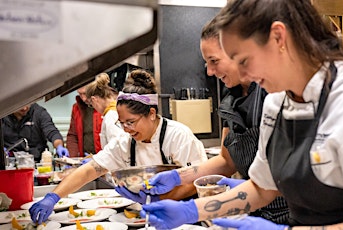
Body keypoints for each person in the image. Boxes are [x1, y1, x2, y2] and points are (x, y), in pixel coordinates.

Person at [139, 0, 343, 229]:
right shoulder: (277, 104)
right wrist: (194, 210)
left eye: (244, 59)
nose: (242, 73)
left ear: (278, 38)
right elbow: (262, 188)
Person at [120, 18, 289, 224]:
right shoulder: (232, 98)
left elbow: (290, 181)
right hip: (252, 208)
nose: (209, 71)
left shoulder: (279, 95)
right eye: (206, 63)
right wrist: (177, 178)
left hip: (293, 214)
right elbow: (227, 161)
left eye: (214, 61)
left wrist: (190, 209)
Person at [29, 69, 208, 224]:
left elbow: (197, 182)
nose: (126, 129)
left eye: (131, 122)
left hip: (186, 217)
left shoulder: (177, 136)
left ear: (151, 113)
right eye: (122, 123)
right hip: (150, 216)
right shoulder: (126, 142)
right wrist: (53, 197)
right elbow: (91, 170)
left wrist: (156, 198)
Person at [2, 103, 69, 162]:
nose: (25, 108)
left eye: (27, 103)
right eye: (20, 105)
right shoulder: (2, 114)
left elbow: (52, 132)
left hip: (37, 162)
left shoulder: (39, 113)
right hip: (10, 162)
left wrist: (59, 146)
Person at [85, 73, 124, 148]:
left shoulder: (111, 116)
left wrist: (98, 159)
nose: (93, 107)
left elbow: (115, 148)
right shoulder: (116, 109)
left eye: (91, 105)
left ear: (94, 99)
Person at [66, 84, 102, 158]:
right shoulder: (76, 108)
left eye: (85, 93)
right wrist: (73, 160)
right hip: (85, 158)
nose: (83, 98)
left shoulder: (103, 107)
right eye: (80, 94)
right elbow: (73, 136)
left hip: (103, 159)